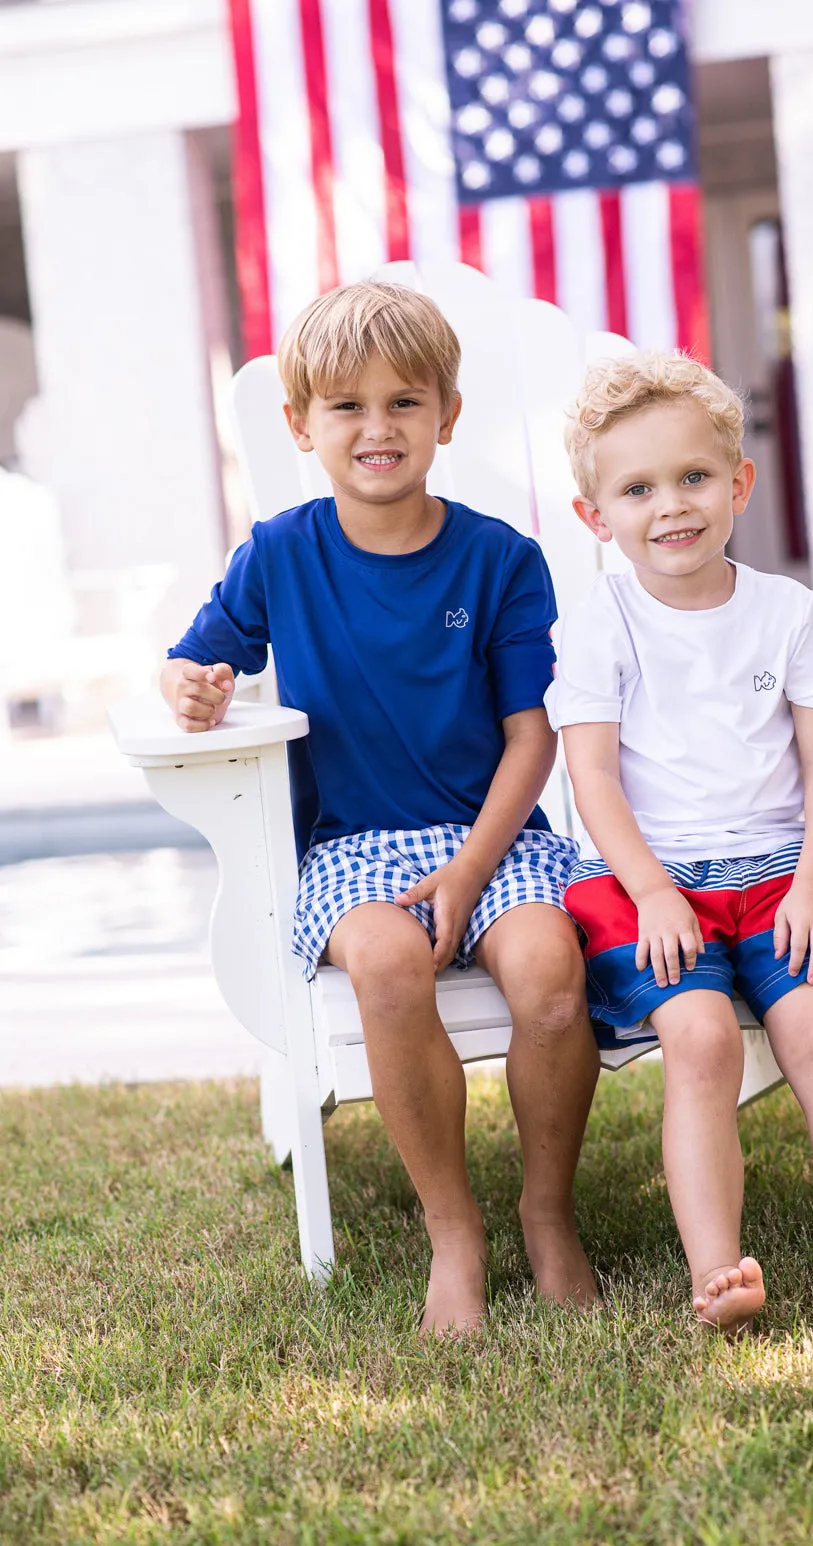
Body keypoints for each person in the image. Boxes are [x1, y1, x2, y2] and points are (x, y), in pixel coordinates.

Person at [160, 281, 600, 1336]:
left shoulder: (499, 558)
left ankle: (546, 1212)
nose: (377, 428)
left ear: (447, 417)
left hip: (494, 834)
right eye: (347, 406)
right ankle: (455, 1230)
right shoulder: (280, 552)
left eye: (405, 403)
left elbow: (530, 737)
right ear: (300, 424)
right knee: (392, 963)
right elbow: (196, 660)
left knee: (546, 974)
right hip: (352, 844)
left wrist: (468, 872)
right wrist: (192, 687)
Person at [545, 350, 813, 1338]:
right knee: (701, 1039)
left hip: (776, 881)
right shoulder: (604, 625)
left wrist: (812, 883)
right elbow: (592, 777)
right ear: (597, 517)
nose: (670, 505)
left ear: (737, 483)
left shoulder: (785, 613)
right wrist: (653, 895)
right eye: (636, 489)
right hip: (651, 885)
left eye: (692, 478)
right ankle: (718, 1273)